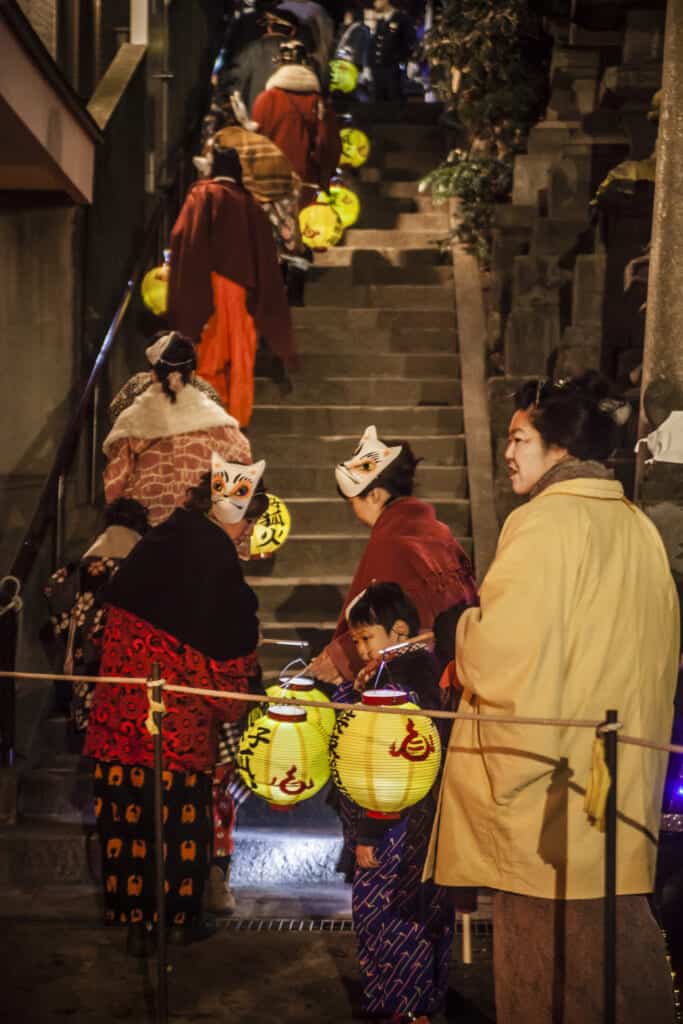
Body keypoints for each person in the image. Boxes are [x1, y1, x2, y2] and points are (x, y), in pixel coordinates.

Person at [426, 373, 680, 1023]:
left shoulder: (540, 523)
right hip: (617, 778)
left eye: (519, 438)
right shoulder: (634, 527)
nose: (507, 453)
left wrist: (457, 631)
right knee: (615, 942)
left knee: (537, 953)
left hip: (544, 782)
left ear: (558, 447)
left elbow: (503, 654)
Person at [83, 453, 268, 954]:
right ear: (235, 516)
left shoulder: (159, 541)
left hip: (118, 726)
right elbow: (231, 674)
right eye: (248, 524)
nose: (248, 536)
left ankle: (137, 923)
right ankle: (176, 920)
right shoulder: (218, 566)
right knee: (175, 831)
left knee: (128, 828)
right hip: (173, 735)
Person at [332, 582, 453, 1024]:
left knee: (386, 916)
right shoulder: (419, 666)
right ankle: (419, 1004)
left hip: (392, 821)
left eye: (367, 638)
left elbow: (383, 762)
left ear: (398, 630)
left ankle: (403, 1007)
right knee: (415, 913)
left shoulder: (401, 680)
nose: (362, 650)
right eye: (357, 641)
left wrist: (367, 833)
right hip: (417, 819)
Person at [308, 424, 478, 684]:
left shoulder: (392, 542)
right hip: (461, 663)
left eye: (354, 503)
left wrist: (340, 659)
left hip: (418, 678)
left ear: (374, 495)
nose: (355, 512)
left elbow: (381, 617)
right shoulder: (440, 532)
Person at [167, 144, 296, 424]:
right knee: (240, 358)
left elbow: (183, 237)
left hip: (211, 285)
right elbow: (266, 257)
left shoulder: (204, 194)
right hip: (246, 293)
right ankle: (236, 422)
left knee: (211, 353)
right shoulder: (252, 205)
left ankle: (207, 418)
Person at [103, 332, 252, 526]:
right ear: (191, 373)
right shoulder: (219, 423)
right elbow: (241, 471)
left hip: (147, 530)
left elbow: (115, 484)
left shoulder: (132, 420)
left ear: (153, 373)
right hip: (203, 528)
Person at [44, 498, 149, 729]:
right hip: (128, 642)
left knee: (90, 689)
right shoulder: (143, 557)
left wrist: (70, 622)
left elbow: (53, 587)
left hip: (87, 637)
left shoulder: (88, 557)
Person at [252, 40, 341, 208]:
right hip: (307, 182)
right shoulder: (319, 103)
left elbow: (255, 146)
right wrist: (324, 177)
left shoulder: (265, 100)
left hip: (271, 185)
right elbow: (329, 146)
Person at [367, 0, 415, 101]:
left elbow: (410, 41)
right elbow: (373, 44)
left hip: (393, 70)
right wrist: (368, 65)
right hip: (377, 70)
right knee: (377, 103)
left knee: (394, 101)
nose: (374, 3)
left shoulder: (401, 18)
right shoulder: (380, 21)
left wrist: (407, 60)